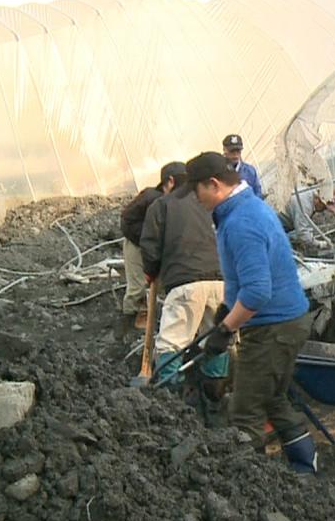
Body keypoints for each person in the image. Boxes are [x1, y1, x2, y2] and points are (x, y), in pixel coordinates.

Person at [184, 151, 317, 474]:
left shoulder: (242, 222)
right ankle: (304, 469)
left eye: (196, 191)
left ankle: (251, 490)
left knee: (245, 411)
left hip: (274, 328)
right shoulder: (248, 208)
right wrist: (227, 310)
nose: (195, 200)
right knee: (273, 399)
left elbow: (258, 291)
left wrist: (224, 331)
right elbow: (250, 279)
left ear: (213, 184)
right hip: (287, 322)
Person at [140, 166, 228, 389]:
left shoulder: (162, 205)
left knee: (172, 341)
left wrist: (151, 272)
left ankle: (172, 401)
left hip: (185, 282)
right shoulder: (208, 201)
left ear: (170, 182)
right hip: (220, 282)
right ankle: (214, 397)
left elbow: (150, 246)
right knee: (215, 339)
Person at [120, 162, 185, 330]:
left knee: (160, 281)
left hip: (154, 245)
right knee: (137, 285)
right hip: (136, 244)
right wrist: (146, 238)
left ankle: (152, 314)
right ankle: (129, 319)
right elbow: (127, 219)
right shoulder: (150, 197)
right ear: (169, 182)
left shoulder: (174, 202)